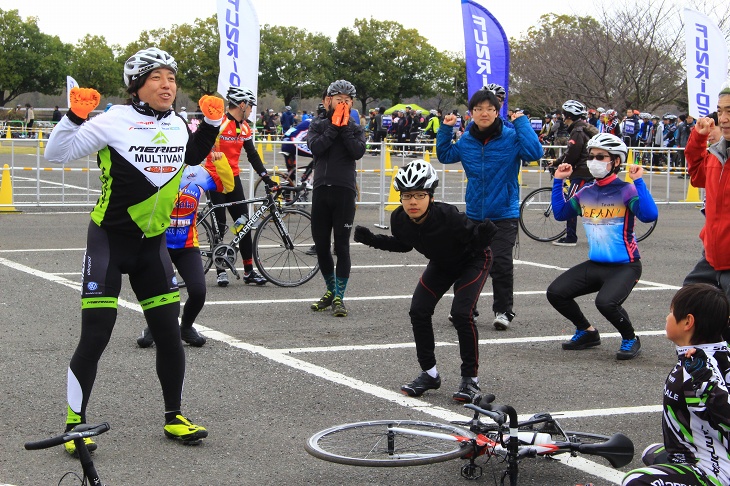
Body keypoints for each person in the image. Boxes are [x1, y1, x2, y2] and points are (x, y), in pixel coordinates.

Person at [44, 47, 224, 452]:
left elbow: (192, 154)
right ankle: (75, 423)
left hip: (152, 249)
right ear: (137, 85)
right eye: (158, 77)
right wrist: (74, 117)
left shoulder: (179, 123)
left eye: (172, 78)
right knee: (95, 338)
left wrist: (212, 123)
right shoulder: (113, 122)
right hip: (109, 242)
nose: (168, 85)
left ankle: (174, 416)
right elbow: (55, 154)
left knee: (169, 335)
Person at [354, 161, 497, 402]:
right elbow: (403, 244)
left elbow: (473, 243)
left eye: (420, 195)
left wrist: (482, 238)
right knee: (418, 310)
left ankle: (470, 380)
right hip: (442, 263)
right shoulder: (399, 219)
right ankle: (429, 374)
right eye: (407, 195)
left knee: (462, 314)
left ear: (430, 196)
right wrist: (371, 239)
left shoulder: (448, 216)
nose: (413, 201)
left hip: (473, 259)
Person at [437, 87, 543, 331]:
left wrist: (523, 123)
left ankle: (503, 311)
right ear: (471, 113)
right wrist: (446, 128)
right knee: (466, 262)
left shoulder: (510, 137)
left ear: (497, 112)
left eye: (489, 109)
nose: (484, 113)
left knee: (501, 263)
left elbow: (535, 152)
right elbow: (444, 154)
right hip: (474, 213)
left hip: (504, 213)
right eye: (478, 109)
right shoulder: (466, 140)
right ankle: (466, 309)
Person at [547, 133, 658, 360]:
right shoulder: (586, 192)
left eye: (601, 157)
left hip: (626, 266)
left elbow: (649, 215)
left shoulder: (626, 190)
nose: (593, 161)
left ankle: (630, 338)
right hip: (596, 264)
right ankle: (587, 332)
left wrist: (638, 181)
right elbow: (560, 214)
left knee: (606, 303)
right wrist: (559, 180)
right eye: (591, 156)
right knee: (556, 293)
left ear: (616, 161)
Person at [622, 283, 730, 486]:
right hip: (702, 453)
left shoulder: (699, 369)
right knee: (653, 453)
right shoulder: (712, 353)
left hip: (716, 472)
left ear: (688, 321)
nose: (667, 317)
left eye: (671, 312)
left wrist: (706, 383)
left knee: (636, 480)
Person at [136, 151, 235, 348]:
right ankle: (154, 327)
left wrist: (221, 161)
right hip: (159, 243)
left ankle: (186, 327)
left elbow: (228, 186)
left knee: (198, 291)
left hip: (187, 245)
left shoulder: (199, 173)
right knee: (161, 291)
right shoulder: (158, 171)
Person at [204, 86, 278, 287]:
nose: (252, 109)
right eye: (251, 106)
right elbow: (202, 143)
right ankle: (220, 270)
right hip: (214, 177)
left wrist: (266, 177)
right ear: (242, 105)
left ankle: (248, 271)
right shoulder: (219, 123)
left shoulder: (244, 127)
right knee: (219, 225)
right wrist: (210, 152)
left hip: (233, 179)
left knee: (243, 225)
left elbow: (252, 155)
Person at [306, 80, 366, 317]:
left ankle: (340, 296)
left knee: (341, 245)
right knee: (321, 246)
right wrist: (333, 125)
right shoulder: (318, 124)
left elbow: (357, 151)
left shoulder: (356, 127)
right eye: (338, 99)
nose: (343, 103)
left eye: (347, 100)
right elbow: (316, 148)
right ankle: (331, 290)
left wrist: (345, 127)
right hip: (321, 189)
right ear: (327, 101)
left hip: (344, 190)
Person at [683, 88, 730, 322]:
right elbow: (697, 177)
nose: (723, 118)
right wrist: (698, 139)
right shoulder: (716, 155)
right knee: (689, 301)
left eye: (729, 111)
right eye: (720, 111)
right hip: (713, 253)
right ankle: (702, 356)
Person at [551, 100, 598, 247]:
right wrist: (558, 161)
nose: (563, 119)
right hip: (585, 170)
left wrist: (558, 164)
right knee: (583, 202)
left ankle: (571, 237)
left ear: (569, 116)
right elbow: (570, 153)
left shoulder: (577, 131)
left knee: (570, 204)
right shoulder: (581, 128)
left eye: (564, 115)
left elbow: (572, 154)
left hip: (582, 172)